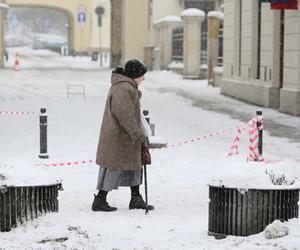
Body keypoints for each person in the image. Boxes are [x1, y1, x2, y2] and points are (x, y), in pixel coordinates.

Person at [92, 59, 154, 212]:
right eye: (142, 75)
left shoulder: (128, 87)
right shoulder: (123, 88)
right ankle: (100, 199)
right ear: (135, 75)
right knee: (113, 168)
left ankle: (136, 198)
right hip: (119, 138)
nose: (144, 78)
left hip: (126, 138)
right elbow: (124, 115)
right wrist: (138, 134)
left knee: (135, 166)